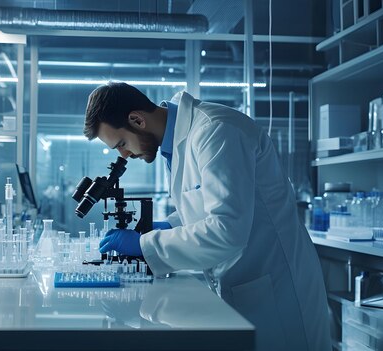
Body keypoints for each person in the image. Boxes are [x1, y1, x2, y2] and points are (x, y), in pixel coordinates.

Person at [83, 82, 331, 351]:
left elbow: (227, 229)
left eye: (121, 143)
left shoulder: (216, 131)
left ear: (137, 120)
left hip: (276, 287)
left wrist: (144, 246)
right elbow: (205, 204)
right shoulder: (175, 142)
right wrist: (166, 226)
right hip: (243, 283)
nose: (124, 155)